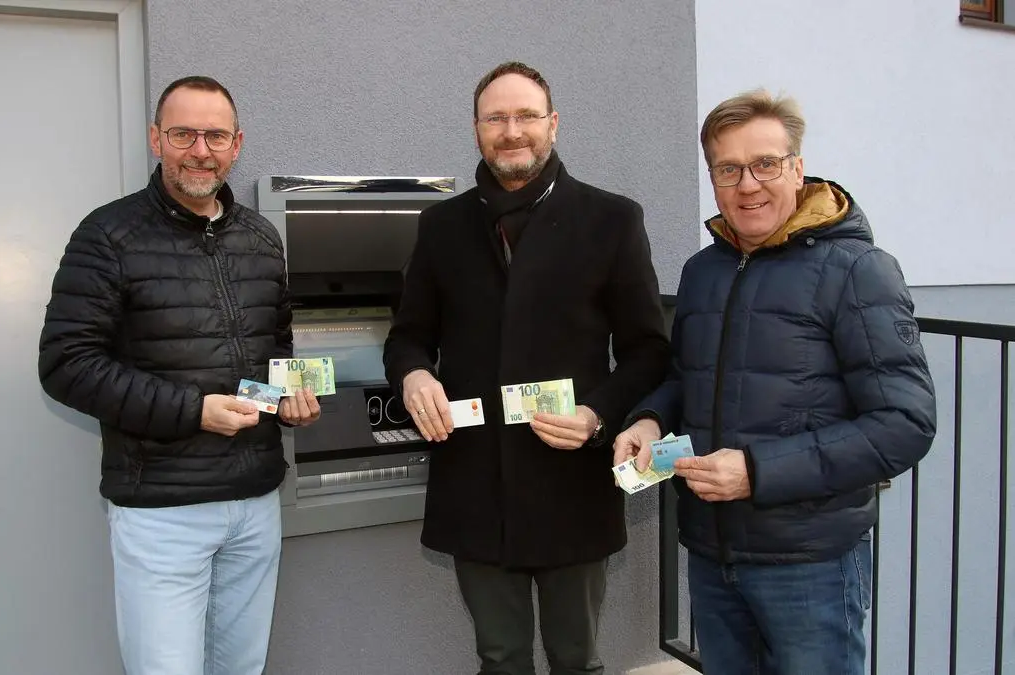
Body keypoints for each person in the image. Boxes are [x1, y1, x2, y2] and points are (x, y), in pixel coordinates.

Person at [615, 89, 937, 675]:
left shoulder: (858, 271)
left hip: (811, 565)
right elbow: (687, 377)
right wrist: (650, 419)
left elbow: (905, 424)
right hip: (712, 554)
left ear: (797, 167)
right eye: (728, 169)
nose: (748, 185)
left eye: (765, 164)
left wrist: (757, 471)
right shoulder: (703, 271)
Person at [383, 61, 669, 675]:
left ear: (553, 124)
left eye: (526, 116)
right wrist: (413, 375)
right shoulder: (441, 226)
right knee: (500, 659)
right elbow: (407, 338)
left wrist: (598, 414)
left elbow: (649, 350)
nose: (512, 131)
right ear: (476, 129)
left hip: (573, 481)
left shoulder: (612, 219)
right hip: (474, 483)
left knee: (576, 659)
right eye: (496, 119)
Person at [38, 75, 320, 675]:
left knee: (241, 667)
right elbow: (67, 366)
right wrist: (194, 411)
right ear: (155, 139)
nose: (200, 150)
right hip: (162, 511)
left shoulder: (261, 238)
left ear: (237, 144)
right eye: (183, 134)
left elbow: (275, 349)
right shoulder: (107, 234)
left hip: (255, 501)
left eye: (215, 136)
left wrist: (288, 397)